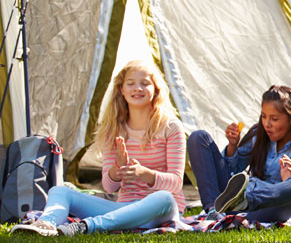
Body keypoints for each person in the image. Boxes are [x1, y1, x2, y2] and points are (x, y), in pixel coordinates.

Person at [10, 60, 185, 236]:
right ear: (121, 90)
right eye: (130, 83)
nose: (137, 88)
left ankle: (87, 226)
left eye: (145, 83)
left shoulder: (170, 127)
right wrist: (116, 170)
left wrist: (144, 173)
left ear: (156, 89)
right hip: (121, 208)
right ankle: (46, 225)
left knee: (164, 198)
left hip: (160, 210)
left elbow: (176, 183)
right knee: (59, 190)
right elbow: (109, 188)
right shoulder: (113, 129)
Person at [187, 85, 291, 223]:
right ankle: (213, 211)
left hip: (269, 210)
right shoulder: (258, 136)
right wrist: (232, 146)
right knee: (199, 138)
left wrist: (288, 183)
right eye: (264, 116)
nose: (267, 124)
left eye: (274, 119)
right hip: (235, 202)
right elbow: (232, 173)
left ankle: (246, 203)